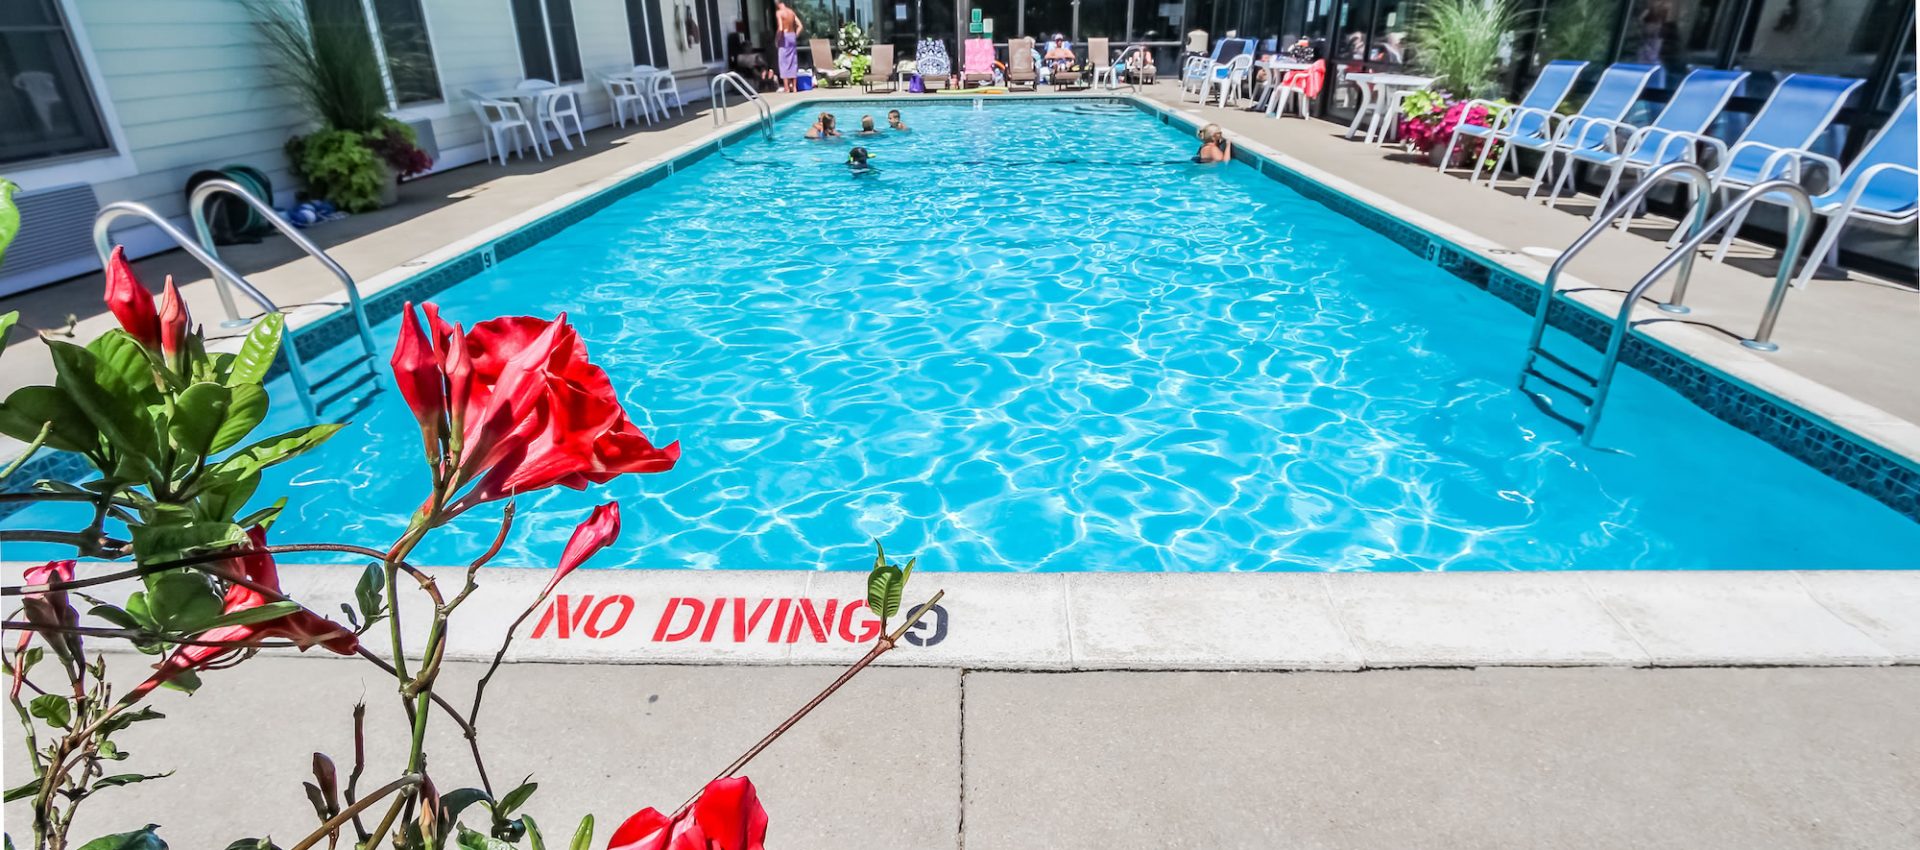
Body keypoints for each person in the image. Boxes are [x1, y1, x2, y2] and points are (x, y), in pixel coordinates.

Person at [775, 0, 803, 93]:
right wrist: (795, 35)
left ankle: (786, 88)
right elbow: (800, 26)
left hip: (784, 37)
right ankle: (794, 87)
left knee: (783, 62)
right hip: (792, 36)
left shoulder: (779, 13)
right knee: (792, 61)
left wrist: (777, 39)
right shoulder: (791, 12)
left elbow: (781, 28)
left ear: (777, 3)